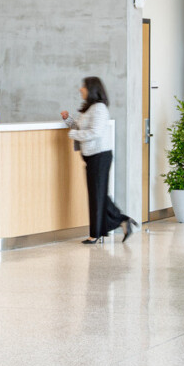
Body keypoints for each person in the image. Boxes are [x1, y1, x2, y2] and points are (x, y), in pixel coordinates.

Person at [62, 76, 135, 243]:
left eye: (84, 86)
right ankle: (122, 221)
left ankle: (95, 234)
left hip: (100, 156)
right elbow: (82, 128)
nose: (81, 89)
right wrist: (68, 120)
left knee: (96, 195)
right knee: (99, 194)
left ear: (92, 89)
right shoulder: (90, 108)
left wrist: (73, 134)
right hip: (91, 157)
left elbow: (95, 132)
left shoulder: (100, 108)